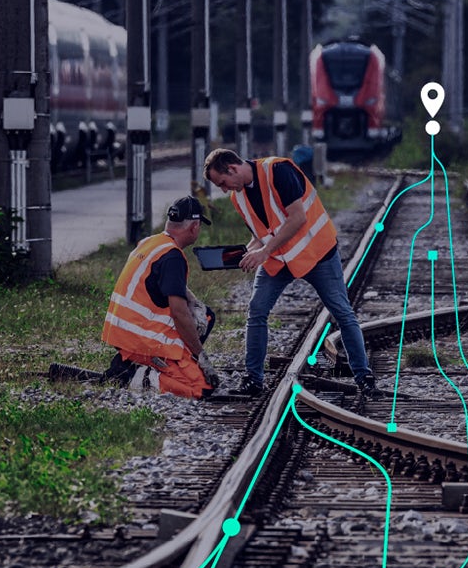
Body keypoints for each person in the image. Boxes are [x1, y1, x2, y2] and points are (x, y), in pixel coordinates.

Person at [203, 148, 374, 398]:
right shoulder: (238, 198)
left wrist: (264, 251)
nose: (224, 189)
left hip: (317, 253)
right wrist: (246, 252)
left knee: (341, 312)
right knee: (257, 311)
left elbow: (298, 218)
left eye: (222, 182)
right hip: (279, 259)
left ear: (232, 168)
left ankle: (364, 377)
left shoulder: (278, 170)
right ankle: (253, 379)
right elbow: (260, 232)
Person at [101, 196, 220, 399]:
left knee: (206, 316)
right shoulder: (173, 256)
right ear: (194, 226)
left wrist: (192, 300)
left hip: (121, 331)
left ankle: (144, 363)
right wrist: (201, 355)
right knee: (201, 388)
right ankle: (129, 374)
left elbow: (159, 281)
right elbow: (179, 313)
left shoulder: (150, 242)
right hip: (141, 339)